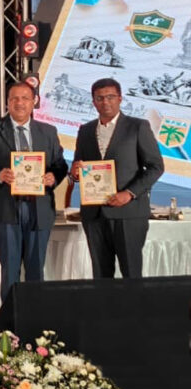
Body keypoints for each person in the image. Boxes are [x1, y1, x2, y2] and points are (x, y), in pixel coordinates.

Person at [0, 82, 68, 301]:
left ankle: (35, 318)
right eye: (14, 98)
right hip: (6, 207)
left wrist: (53, 177)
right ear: (7, 102)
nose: (19, 103)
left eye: (25, 98)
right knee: (10, 270)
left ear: (34, 101)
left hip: (39, 208)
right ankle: (11, 318)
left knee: (36, 268)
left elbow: (59, 164)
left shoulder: (48, 131)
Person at [69, 78, 164, 279]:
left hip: (128, 213)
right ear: (93, 101)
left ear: (120, 99)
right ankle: (104, 302)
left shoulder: (137, 126)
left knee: (131, 273)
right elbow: (79, 165)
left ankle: (133, 303)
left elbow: (156, 167)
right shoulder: (85, 130)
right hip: (94, 214)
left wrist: (129, 193)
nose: (106, 102)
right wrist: (74, 172)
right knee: (101, 275)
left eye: (110, 97)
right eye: (100, 98)